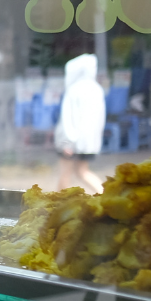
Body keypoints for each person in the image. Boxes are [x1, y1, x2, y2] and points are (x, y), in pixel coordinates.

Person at [56, 52, 106, 194]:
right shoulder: (96, 89)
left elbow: (68, 118)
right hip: (89, 141)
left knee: (66, 172)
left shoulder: (74, 90)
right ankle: (106, 194)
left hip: (71, 141)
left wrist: (67, 141)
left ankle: (57, 204)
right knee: (82, 171)